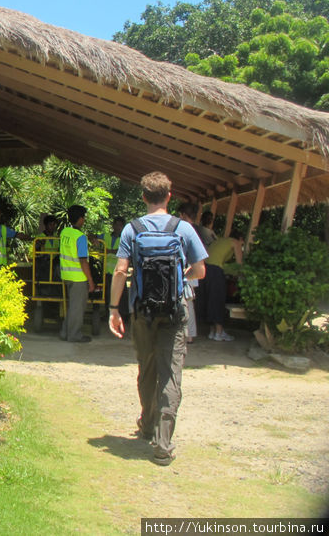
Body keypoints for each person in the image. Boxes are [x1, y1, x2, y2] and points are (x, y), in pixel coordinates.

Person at [108, 172, 207, 466]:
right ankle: (162, 444)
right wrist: (180, 276)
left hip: (142, 312)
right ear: (169, 195)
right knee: (171, 374)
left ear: (143, 197)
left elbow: (120, 272)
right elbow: (200, 270)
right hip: (175, 313)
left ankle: (147, 423)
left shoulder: (132, 229)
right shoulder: (183, 228)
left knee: (147, 369)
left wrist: (114, 309)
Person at [59, 205, 96, 343]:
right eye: (84, 217)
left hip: (66, 274)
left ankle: (65, 332)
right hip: (78, 277)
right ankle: (74, 335)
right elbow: (83, 261)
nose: (84, 220)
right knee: (77, 308)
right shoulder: (80, 237)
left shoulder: (64, 232)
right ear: (80, 219)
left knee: (72, 306)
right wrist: (90, 281)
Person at [202, 229, 244, 341]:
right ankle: (219, 332)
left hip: (205, 269)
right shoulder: (235, 242)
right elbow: (239, 265)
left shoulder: (220, 241)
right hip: (215, 271)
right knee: (218, 299)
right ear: (240, 239)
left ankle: (212, 331)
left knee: (209, 300)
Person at [176, 203, 202, 344]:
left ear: (184, 215)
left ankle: (189, 334)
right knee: (188, 301)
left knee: (187, 301)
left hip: (189, 268)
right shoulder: (197, 229)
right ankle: (189, 333)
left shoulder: (187, 229)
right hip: (192, 267)